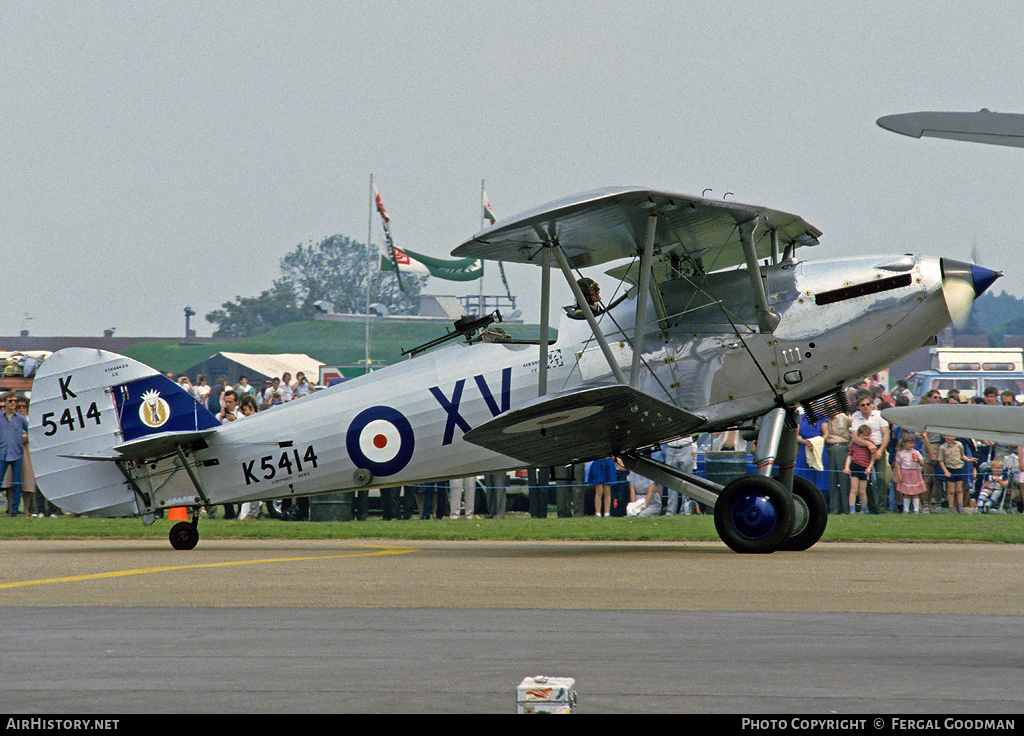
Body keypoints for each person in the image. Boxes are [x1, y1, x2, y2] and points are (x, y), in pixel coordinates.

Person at [851, 391, 890, 513]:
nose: (866, 407)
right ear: (858, 406)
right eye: (863, 405)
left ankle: (882, 507)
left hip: (879, 447)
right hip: (862, 449)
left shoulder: (879, 415)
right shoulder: (856, 417)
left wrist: (880, 450)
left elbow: (886, 434)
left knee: (881, 478)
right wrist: (868, 444)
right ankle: (872, 507)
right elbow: (854, 437)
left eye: (868, 404)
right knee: (865, 481)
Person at [0, 392, 29, 517]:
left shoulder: (21, 419)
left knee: (17, 484)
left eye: (15, 401)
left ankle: (15, 510)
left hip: (17, 454)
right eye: (10, 401)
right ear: (5, 402)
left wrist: (25, 437)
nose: (13, 403)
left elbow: (29, 430)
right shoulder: (0, 418)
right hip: (2, 454)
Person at [825, 410, 853, 514]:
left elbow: (855, 426)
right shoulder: (825, 419)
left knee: (844, 479)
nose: (830, 409)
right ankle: (834, 509)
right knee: (832, 479)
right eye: (828, 407)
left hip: (842, 446)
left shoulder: (844, 417)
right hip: (829, 447)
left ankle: (846, 508)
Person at [844, 424, 875, 514]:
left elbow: (873, 458)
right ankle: (852, 509)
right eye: (863, 435)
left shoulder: (871, 444)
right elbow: (849, 456)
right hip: (854, 466)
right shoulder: (854, 444)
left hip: (864, 468)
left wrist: (869, 467)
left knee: (862, 491)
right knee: (854, 489)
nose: (865, 438)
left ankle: (864, 509)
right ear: (858, 435)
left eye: (867, 435)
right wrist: (846, 467)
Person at [893, 434, 927, 514]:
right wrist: (899, 474)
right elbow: (898, 464)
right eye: (908, 443)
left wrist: (919, 460)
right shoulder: (901, 453)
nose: (910, 445)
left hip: (915, 473)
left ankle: (916, 509)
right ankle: (906, 509)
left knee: (915, 493)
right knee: (906, 493)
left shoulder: (916, 452)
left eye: (912, 443)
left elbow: (922, 464)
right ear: (904, 444)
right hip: (905, 473)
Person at [662, 436, 697, 515]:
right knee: (671, 481)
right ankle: (670, 511)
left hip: (686, 446)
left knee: (686, 481)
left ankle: (686, 510)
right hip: (671, 448)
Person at [938, 435, 970, 514]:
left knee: (959, 490)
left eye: (951, 436)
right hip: (949, 469)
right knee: (951, 490)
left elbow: (962, 455)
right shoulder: (942, 447)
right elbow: (941, 460)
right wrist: (945, 471)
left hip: (958, 468)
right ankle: (951, 508)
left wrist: (969, 460)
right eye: (947, 436)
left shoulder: (959, 444)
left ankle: (960, 507)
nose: (949, 438)